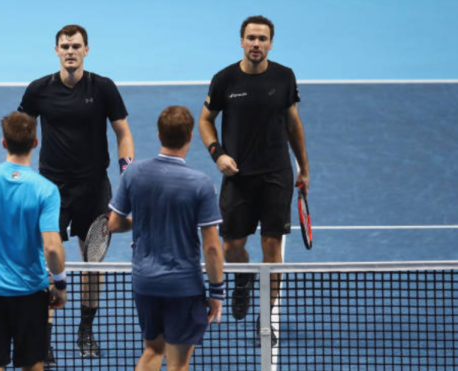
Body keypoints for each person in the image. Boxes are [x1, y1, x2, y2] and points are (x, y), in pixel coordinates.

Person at [18, 24, 135, 359]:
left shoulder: (104, 88)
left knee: (92, 262)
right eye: (64, 46)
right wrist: (21, 172)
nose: (70, 51)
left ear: (87, 50)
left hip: (93, 186)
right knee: (44, 262)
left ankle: (85, 332)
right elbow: (20, 132)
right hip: (50, 187)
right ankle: (46, 338)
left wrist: (126, 173)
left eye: (76, 45)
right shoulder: (38, 90)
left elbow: (123, 131)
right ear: (56, 50)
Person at [198, 15, 310, 346]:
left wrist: (303, 167)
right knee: (232, 247)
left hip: (276, 175)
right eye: (251, 38)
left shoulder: (284, 77)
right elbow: (205, 120)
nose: (256, 44)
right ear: (242, 41)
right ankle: (244, 279)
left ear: (271, 43)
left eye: (262, 38)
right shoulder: (224, 80)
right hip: (238, 177)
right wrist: (218, 153)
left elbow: (293, 124)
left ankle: (266, 316)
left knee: (272, 247)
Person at [108, 106, 225, 371]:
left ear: (159, 135)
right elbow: (212, 247)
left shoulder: (133, 173)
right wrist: (217, 291)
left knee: (153, 350)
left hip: (145, 283)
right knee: (178, 365)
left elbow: (113, 224)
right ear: (191, 137)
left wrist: (146, 218)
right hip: (183, 287)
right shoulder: (201, 183)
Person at [0, 111, 67, 371]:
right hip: (30, 294)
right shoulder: (45, 189)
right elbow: (52, 247)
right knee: (32, 365)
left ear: (4, 143)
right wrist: (60, 284)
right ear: (35, 143)